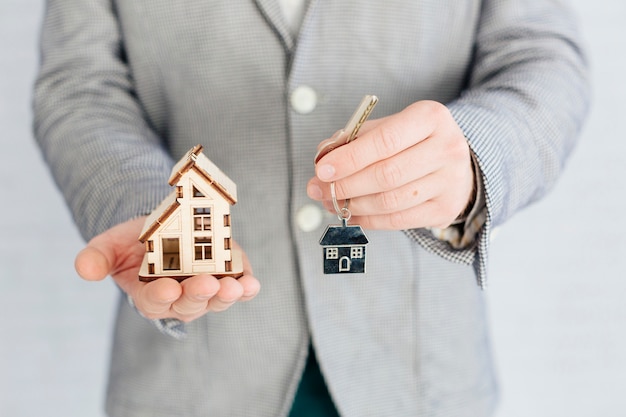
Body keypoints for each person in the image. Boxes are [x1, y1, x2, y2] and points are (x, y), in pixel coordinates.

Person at [33, 1, 589, 416]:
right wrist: (148, 208)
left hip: (421, 378)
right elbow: (80, 85)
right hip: (190, 384)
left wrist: (473, 153)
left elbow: (541, 57)